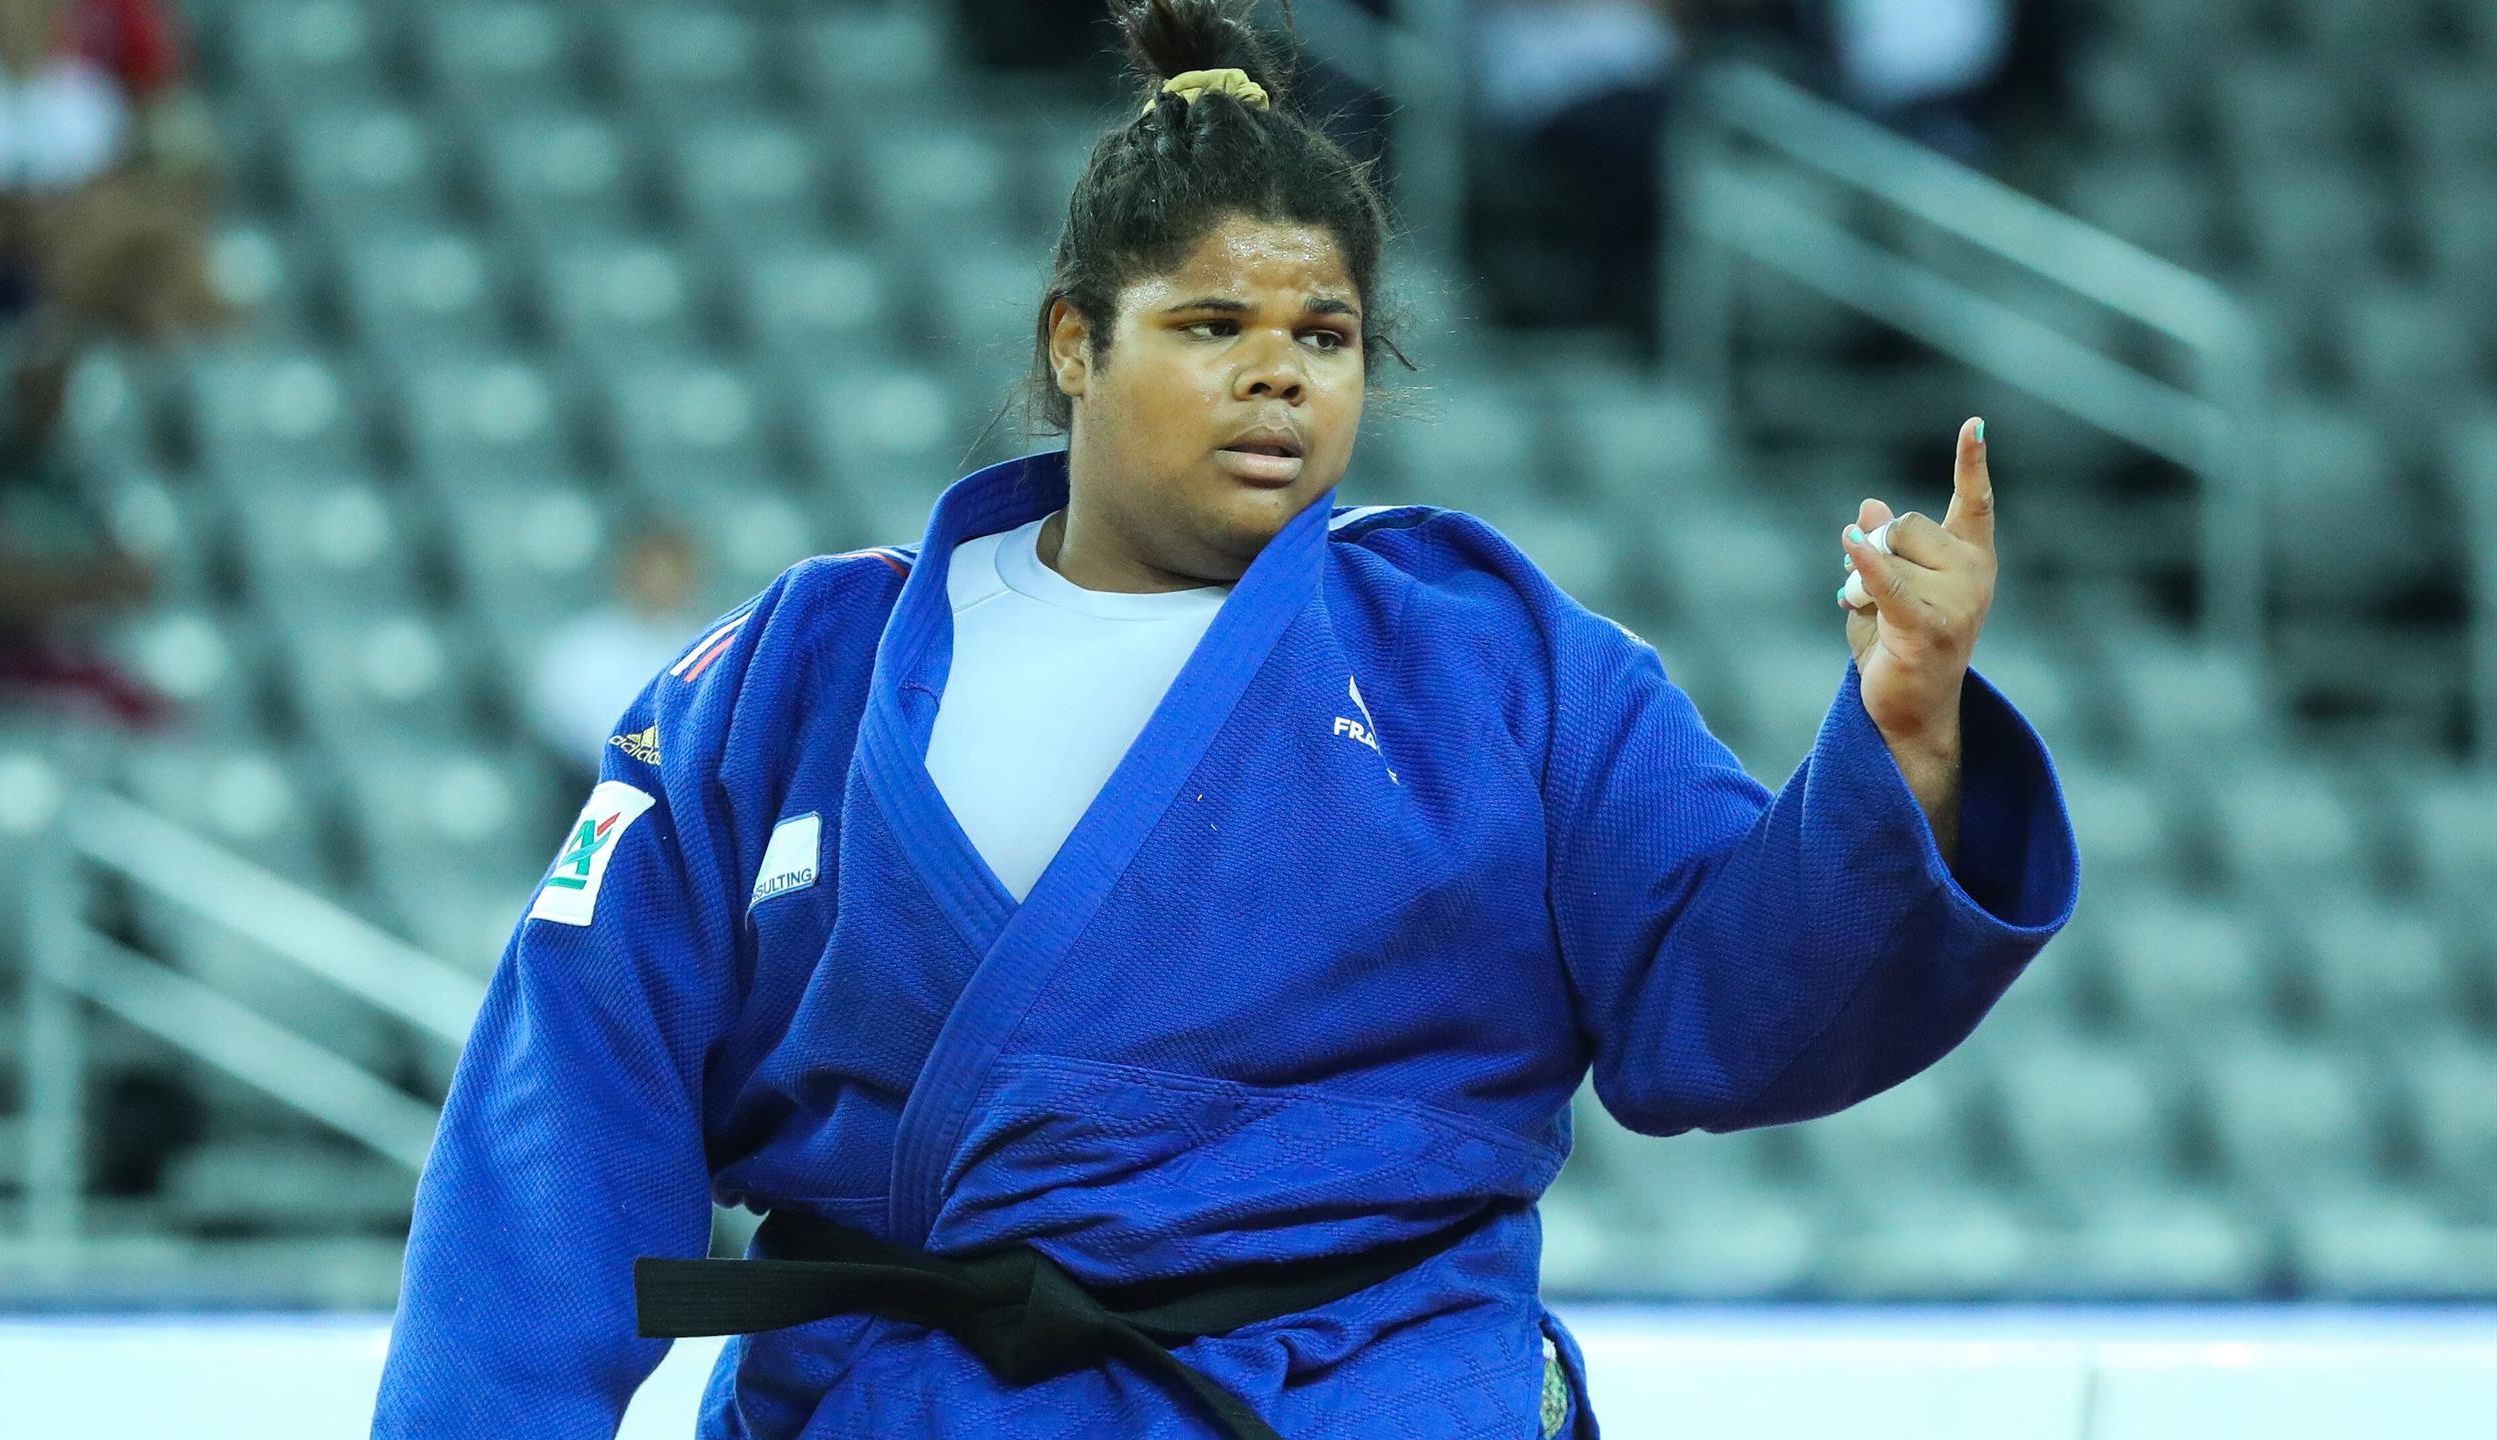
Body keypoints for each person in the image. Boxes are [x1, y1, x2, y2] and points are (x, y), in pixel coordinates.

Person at [373, 2, 2075, 1436]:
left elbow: (1730, 1006)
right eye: (1212, 325)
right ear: (1074, 344)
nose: (1280, 373)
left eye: (1325, 334)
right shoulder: (789, 673)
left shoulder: (1495, 662)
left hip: (1358, 1392)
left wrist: (1904, 736)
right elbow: (566, 1113)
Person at [0, 0, 221, 481]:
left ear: (55, 30)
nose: (19, 36)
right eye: (7, 24)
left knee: (127, 235)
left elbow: (98, 201)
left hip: (54, 263)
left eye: (31, 24)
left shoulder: (89, 100)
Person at [525, 524, 707, 786]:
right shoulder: (581, 648)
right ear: (628, 573)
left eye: (672, 572)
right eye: (652, 571)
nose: (661, 584)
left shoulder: (709, 648)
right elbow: (561, 731)